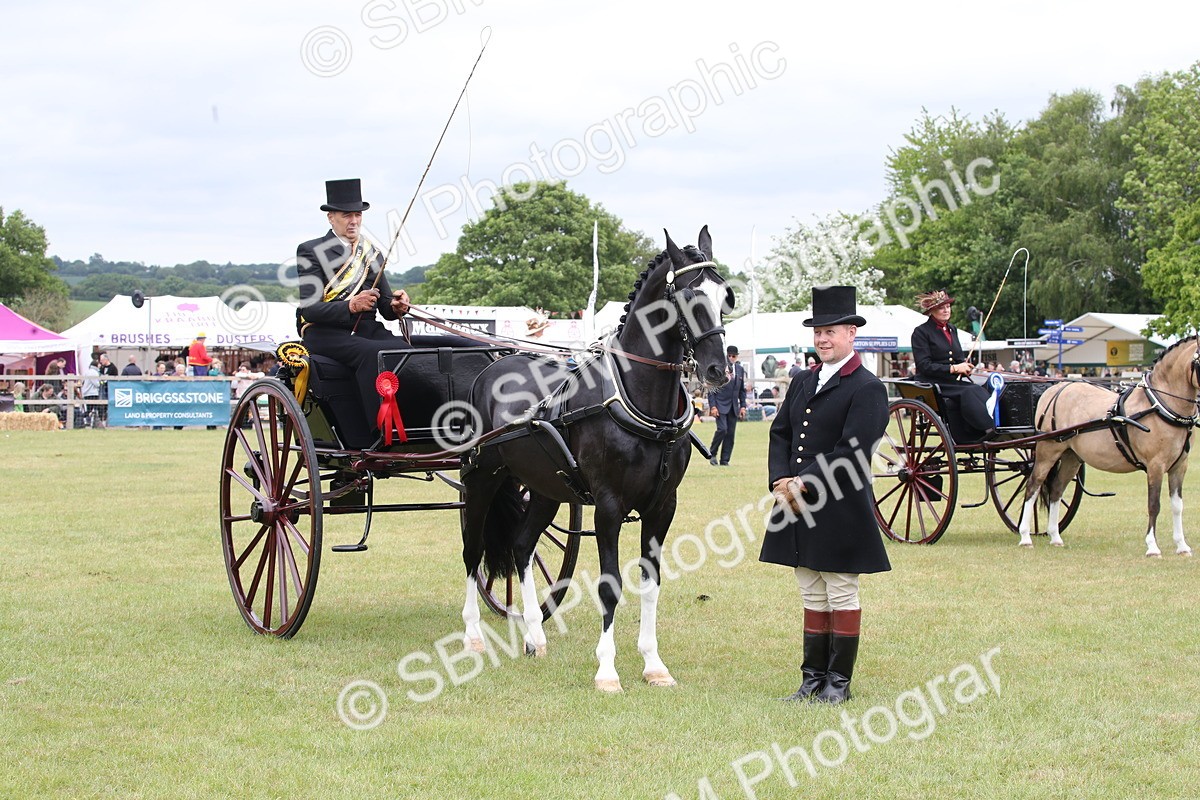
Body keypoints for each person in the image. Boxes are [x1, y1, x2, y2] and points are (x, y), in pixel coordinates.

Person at [760, 285, 890, 705]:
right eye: (818, 331)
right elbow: (780, 432)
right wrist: (781, 479)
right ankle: (811, 679)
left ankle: (838, 683)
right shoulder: (803, 379)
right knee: (810, 589)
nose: (823, 339)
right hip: (794, 503)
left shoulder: (867, 387)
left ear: (852, 333)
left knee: (840, 590)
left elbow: (852, 449)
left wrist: (805, 481)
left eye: (831, 330)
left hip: (838, 505)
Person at [295, 178, 471, 429]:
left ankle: (416, 425)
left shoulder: (371, 253)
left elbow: (386, 307)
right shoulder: (311, 250)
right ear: (331, 217)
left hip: (367, 329)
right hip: (324, 332)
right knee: (373, 355)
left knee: (406, 355)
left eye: (358, 214)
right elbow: (310, 309)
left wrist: (398, 306)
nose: (354, 221)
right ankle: (379, 431)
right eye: (347, 215)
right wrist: (350, 306)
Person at [911, 289, 994, 442]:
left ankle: (988, 426)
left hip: (951, 380)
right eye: (942, 308)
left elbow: (956, 357)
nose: (946, 310)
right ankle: (985, 428)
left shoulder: (952, 329)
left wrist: (964, 365)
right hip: (932, 381)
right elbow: (924, 365)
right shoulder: (921, 332)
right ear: (932, 311)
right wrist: (954, 368)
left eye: (948, 307)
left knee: (981, 389)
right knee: (970, 392)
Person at [707, 344, 747, 466]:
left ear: (736, 357)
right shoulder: (718, 369)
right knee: (722, 429)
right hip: (720, 405)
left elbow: (742, 390)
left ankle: (725, 460)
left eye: (733, 356)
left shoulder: (740, 369)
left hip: (733, 406)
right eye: (728, 355)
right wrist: (713, 406)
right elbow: (712, 389)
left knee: (730, 434)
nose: (731, 358)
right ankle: (712, 454)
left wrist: (743, 406)